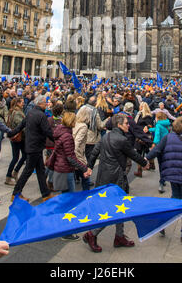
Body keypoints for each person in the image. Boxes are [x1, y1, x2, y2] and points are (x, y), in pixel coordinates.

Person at [83, 114, 149, 253]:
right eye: (126, 123)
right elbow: (133, 154)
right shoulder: (122, 140)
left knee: (120, 206)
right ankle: (92, 234)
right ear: (119, 125)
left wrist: (89, 167)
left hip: (103, 176)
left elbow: (95, 152)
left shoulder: (106, 136)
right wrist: (145, 163)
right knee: (113, 208)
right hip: (116, 177)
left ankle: (119, 236)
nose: (128, 125)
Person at [146, 116, 182, 243]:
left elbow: (156, 150)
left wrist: (145, 160)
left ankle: (162, 223)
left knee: (174, 200)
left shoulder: (168, 138)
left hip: (172, 175)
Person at [50, 111, 91, 241]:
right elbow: (70, 157)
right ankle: (66, 230)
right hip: (65, 169)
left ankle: (60, 224)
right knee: (69, 200)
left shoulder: (60, 131)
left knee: (64, 197)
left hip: (60, 167)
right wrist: (84, 167)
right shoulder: (67, 136)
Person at [11, 95, 56, 203]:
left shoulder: (30, 112)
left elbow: (21, 125)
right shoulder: (41, 115)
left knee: (40, 171)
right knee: (28, 171)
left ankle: (45, 194)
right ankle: (16, 193)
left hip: (32, 145)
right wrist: (57, 140)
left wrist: (11, 132)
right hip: (35, 146)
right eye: (45, 103)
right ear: (40, 103)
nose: (46, 104)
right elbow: (47, 131)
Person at [144, 112, 171, 194]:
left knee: (161, 165)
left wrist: (154, 144)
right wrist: (149, 129)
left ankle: (161, 182)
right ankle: (164, 179)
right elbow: (157, 129)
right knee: (165, 164)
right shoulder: (165, 124)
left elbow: (157, 135)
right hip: (167, 146)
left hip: (160, 147)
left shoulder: (159, 124)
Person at [5, 97, 26, 186]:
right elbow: (21, 125)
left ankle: (14, 172)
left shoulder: (15, 111)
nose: (23, 103)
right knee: (16, 157)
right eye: (22, 102)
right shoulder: (17, 113)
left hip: (17, 136)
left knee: (23, 156)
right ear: (17, 103)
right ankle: (9, 176)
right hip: (18, 137)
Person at [73, 105, 91, 191]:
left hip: (73, 154)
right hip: (78, 154)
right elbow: (77, 143)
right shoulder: (83, 126)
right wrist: (79, 159)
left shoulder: (75, 122)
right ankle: (86, 196)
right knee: (86, 178)